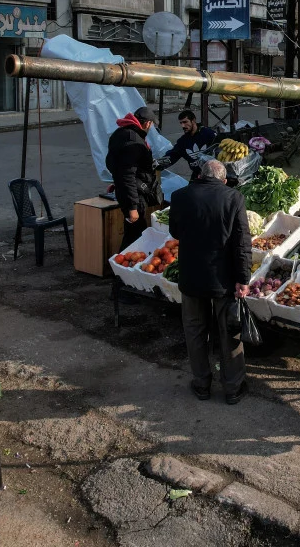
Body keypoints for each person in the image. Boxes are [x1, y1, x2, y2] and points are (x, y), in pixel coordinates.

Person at [168, 160, 251, 404]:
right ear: (223, 180)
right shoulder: (233, 197)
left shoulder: (180, 196)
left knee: (194, 331)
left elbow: (175, 232)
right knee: (229, 332)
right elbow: (241, 242)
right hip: (223, 278)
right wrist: (243, 278)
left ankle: (202, 384)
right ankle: (233, 388)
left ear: (199, 176)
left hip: (192, 276)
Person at [106, 106, 160, 249]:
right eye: (151, 125)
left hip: (126, 191)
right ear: (147, 123)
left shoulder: (120, 133)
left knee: (134, 233)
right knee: (135, 236)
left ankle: (124, 266)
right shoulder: (134, 142)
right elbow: (128, 175)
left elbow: (112, 164)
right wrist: (133, 207)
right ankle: (122, 267)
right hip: (134, 195)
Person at [155, 109, 217, 179]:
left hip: (213, 174)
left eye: (185, 122)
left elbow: (220, 149)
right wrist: (156, 164)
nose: (183, 126)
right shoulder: (183, 141)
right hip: (197, 175)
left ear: (193, 121)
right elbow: (172, 156)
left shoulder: (208, 134)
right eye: (181, 123)